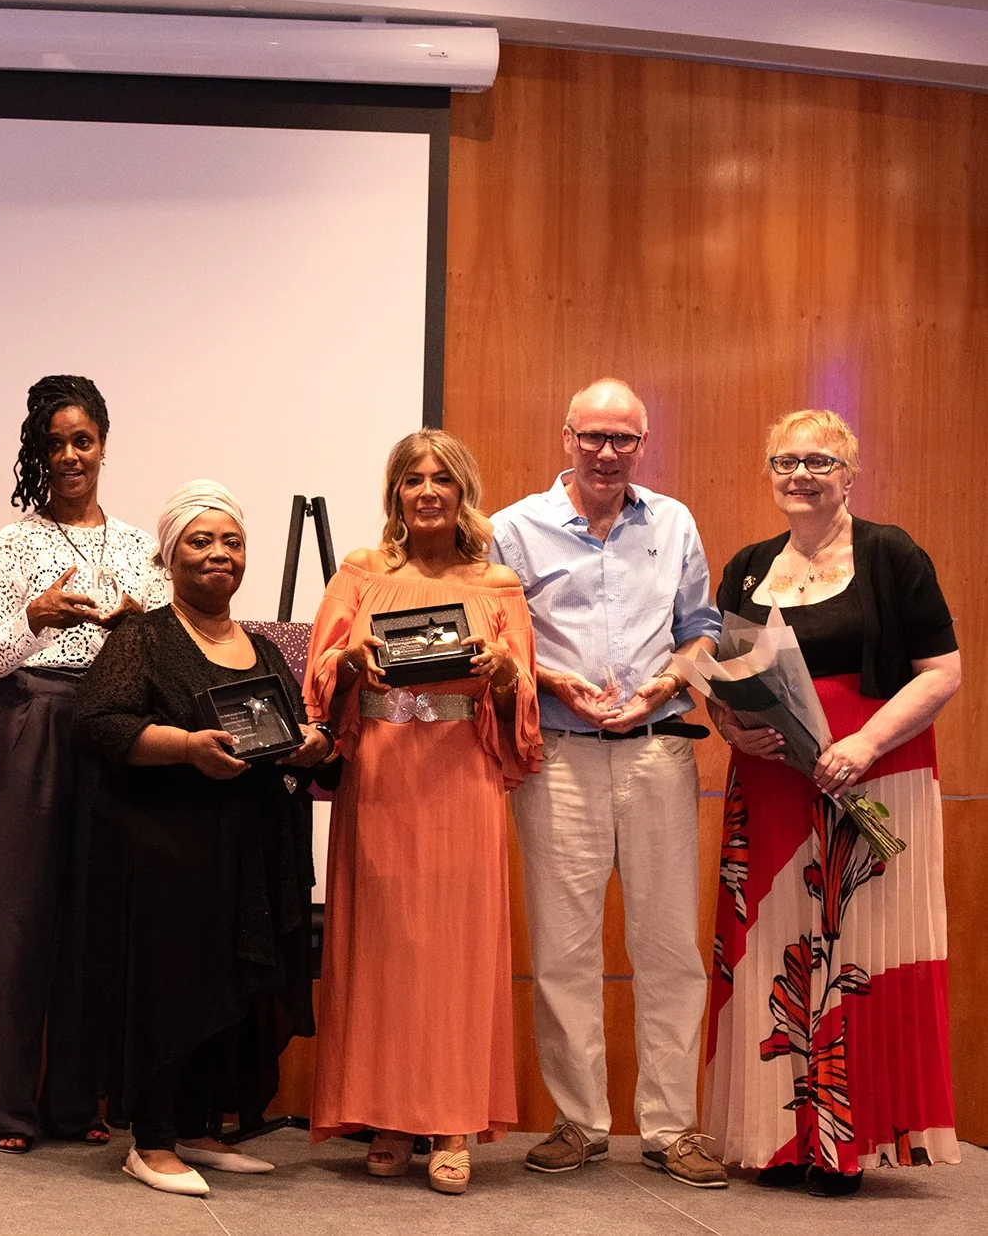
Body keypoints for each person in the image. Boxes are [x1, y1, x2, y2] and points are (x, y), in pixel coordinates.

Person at [703, 409, 962, 1197]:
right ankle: (780, 1141)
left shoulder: (892, 553)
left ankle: (846, 1144)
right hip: (774, 780)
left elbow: (942, 671)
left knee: (861, 956)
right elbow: (724, 673)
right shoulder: (749, 565)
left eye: (819, 460)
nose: (800, 474)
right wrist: (731, 730)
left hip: (873, 771)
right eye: (785, 460)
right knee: (774, 953)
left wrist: (864, 745)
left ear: (850, 473)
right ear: (769, 473)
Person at [489, 379, 728, 1188]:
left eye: (622, 440)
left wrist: (662, 690)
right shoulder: (512, 529)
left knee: (668, 947)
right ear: (565, 437)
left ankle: (670, 1129)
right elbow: (499, 642)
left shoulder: (673, 522)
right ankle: (579, 1122)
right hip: (557, 758)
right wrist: (557, 682)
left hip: (659, 752)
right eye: (592, 436)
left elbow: (701, 632)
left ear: (643, 443)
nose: (606, 453)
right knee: (563, 948)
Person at [74, 480, 327, 1196]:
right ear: (169, 556)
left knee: (229, 993)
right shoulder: (142, 637)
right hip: (167, 852)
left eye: (232, 542)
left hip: (248, 850)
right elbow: (97, 727)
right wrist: (185, 747)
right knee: (174, 991)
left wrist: (310, 745)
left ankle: (195, 1129)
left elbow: (293, 727)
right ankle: (150, 1142)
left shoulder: (266, 648)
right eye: (200, 541)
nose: (219, 554)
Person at [303, 428, 538, 1196]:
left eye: (442, 477)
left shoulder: (497, 582)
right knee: (383, 945)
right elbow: (319, 671)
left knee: (455, 950)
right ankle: (387, 1117)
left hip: (460, 773)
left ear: (462, 490)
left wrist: (504, 672)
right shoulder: (363, 572)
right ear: (396, 493)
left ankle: (451, 1121)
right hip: (381, 768)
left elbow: (521, 693)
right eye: (413, 478)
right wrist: (347, 660)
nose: (428, 490)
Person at [0, 375, 165, 1155]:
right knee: (14, 923)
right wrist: (35, 620)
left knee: (92, 924)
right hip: (27, 719)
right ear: (38, 451)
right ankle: (7, 1111)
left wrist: (134, 623)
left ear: (104, 446)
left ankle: (74, 1099)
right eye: (55, 442)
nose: (71, 454)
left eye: (83, 440)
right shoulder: (15, 541)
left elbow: (158, 651)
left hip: (110, 729)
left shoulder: (138, 545)